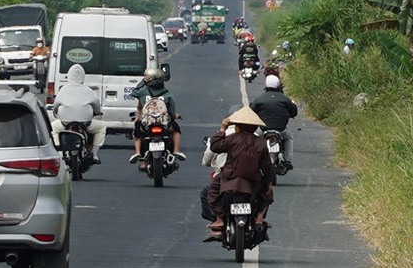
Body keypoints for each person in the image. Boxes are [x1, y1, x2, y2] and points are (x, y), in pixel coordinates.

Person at [201, 106, 275, 239]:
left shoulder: (233, 139)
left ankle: (219, 219)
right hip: (253, 180)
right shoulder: (261, 143)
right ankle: (259, 217)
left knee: (212, 191)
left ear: (238, 125)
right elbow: (267, 167)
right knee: (267, 194)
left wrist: (223, 128)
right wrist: (268, 183)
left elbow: (215, 146)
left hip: (230, 177)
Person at [51, 63, 107, 164]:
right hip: (85, 123)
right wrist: (98, 112)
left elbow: (56, 105)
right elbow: (97, 106)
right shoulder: (88, 90)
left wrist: (55, 112)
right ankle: (94, 153)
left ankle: (59, 153)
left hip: (65, 123)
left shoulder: (63, 89)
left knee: (53, 128)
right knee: (101, 127)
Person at [128, 67, 183, 160]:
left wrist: (143, 82)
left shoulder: (142, 91)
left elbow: (133, 93)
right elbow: (172, 110)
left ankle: (137, 152)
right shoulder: (167, 93)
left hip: (146, 124)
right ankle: (176, 150)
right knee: (176, 130)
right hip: (164, 124)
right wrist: (174, 116)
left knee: (137, 131)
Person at [250, 72, 299, 167]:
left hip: (263, 129)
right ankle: (288, 160)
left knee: (253, 138)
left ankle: (253, 158)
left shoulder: (260, 99)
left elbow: (252, 112)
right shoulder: (285, 99)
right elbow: (294, 112)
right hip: (281, 129)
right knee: (288, 137)